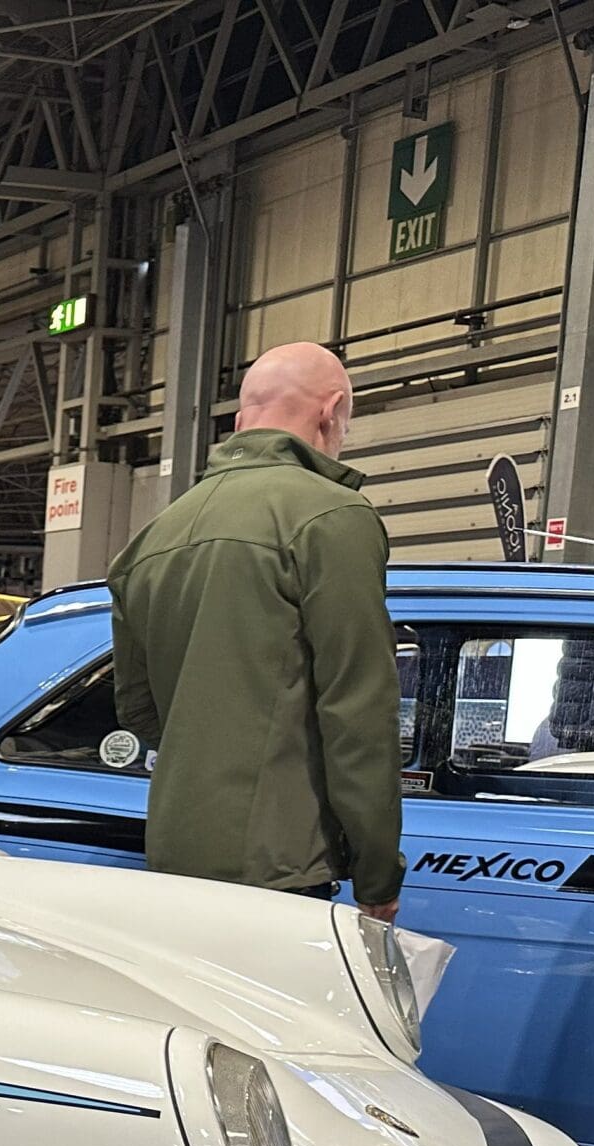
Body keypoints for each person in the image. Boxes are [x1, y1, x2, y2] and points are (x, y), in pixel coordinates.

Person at [109, 341, 400, 919]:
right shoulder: (332, 518)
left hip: (172, 849)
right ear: (332, 411)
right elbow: (358, 713)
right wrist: (377, 874)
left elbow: (137, 710)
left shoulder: (153, 537)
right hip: (282, 863)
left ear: (242, 422)